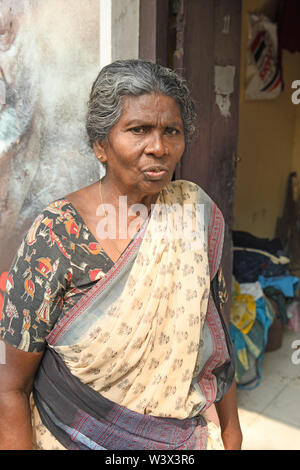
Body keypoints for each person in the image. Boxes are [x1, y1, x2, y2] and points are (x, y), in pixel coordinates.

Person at [0, 59, 242, 451]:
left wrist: (231, 431)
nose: (159, 147)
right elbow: (9, 386)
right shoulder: (57, 234)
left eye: (171, 132)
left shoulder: (195, 214)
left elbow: (214, 331)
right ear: (100, 144)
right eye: (139, 130)